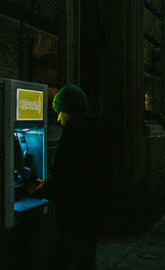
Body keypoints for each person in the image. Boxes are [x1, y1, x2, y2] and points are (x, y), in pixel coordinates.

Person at [29, 83, 113, 270]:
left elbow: (72, 184)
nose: (58, 118)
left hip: (76, 220)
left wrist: (46, 189)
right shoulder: (97, 132)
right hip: (91, 218)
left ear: (69, 111)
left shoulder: (75, 136)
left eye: (60, 112)